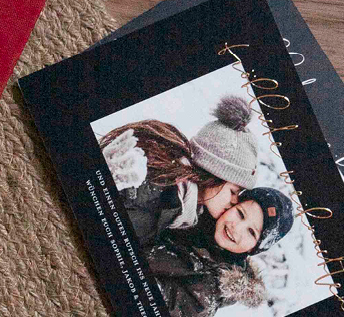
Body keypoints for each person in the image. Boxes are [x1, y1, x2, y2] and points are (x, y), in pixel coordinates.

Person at [98, 92, 259, 251]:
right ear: (215, 173)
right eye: (233, 191)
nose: (234, 201)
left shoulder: (185, 207)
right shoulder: (152, 185)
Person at [144, 184, 295, 317]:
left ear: (254, 248)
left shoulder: (206, 293)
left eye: (251, 232)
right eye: (240, 214)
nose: (236, 227)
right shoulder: (193, 209)